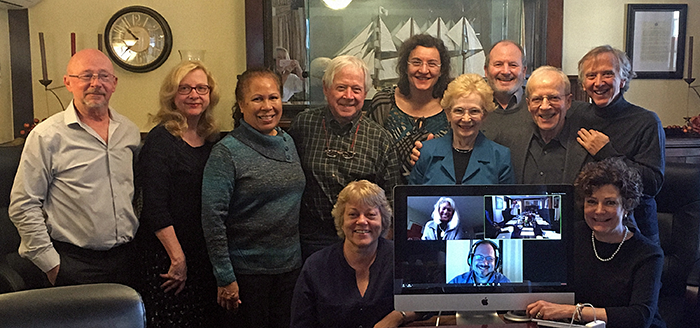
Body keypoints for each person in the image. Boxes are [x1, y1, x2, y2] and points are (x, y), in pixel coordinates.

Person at [8, 49, 139, 287]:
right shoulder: (47, 136)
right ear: (68, 82)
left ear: (114, 83)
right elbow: (23, 204)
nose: (95, 83)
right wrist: (51, 265)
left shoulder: (129, 131)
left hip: (127, 261)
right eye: (86, 76)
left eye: (103, 76)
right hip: (74, 263)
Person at [201, 68, 305, 328]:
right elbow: (213, 220)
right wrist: (225, 277)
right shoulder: (226, 153)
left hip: (290, 270)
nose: (267, 106)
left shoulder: (288, 142)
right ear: (241, 105)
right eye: (257, 99)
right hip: (247, 276)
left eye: (273, 97)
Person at [526, 158, 665, 328]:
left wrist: (571, 311)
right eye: (591, 201)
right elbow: (546, 287)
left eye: (610, 202)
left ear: (627, 207)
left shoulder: (648, 253)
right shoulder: (571, 236)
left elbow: (639, 317)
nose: (599, 210)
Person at [288, 55, 401, 259]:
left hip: (362, 238)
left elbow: (391, 199)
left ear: (365, 93)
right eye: (341, 88)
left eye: (356, 89)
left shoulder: (380, 138)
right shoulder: (303, 125)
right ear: (326, 88)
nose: (348, 96)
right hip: (312, 238)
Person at [135, 60, 221, 327]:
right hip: (168, 257)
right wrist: (177, 258)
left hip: (200, 252)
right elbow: (154, 206)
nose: (194, 95)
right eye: (185, 88)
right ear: (172, 95)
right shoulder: (162, 140)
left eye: (200, 88)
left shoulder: (210, 138)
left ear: (210, 94)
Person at [290, 180, 422, 328]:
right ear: (341, 220)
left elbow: (428, 304)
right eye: (353, 214)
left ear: (383, 221)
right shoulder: (315, 265)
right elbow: (300, 323)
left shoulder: (402, 257)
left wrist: (398, 316)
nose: (362, 221)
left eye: (370, 215)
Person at [575, 45, 664, 243]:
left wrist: (607, 153)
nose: (598, 83)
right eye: (591, 76)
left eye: (607, 74)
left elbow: (653, 183)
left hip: (635, 233)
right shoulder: (576, 116)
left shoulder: (646, 121)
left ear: (623, 79)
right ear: (582, 84)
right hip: (586, 230)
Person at [368, 34, 452, 180]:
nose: (424, 70)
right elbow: (369, 155)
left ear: (442, 70)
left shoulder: (452, 105)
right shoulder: (383, 102)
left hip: (438, 195)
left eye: (432, 64)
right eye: (416, 62)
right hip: (386, 196)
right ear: (405, 67)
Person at [408, 73, 514, 185]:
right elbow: (412, 200)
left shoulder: (500, 158)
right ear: (448, 114)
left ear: (484, 115)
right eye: (459, 111)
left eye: (474, 111)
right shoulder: (426, 153)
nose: (466, 119)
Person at [497, 65, 591, 183]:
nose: (545, 106)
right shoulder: (509, 144)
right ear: (528, 104)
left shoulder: (587, 147)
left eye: (554, 98)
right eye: (537, 99)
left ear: (568, 102)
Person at [479, 40, 530, 140]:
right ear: (486, 70)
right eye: (498, 64)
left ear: (524, 71)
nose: (506, 71)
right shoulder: (474, 107)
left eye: (513, 65)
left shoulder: (536, 108)